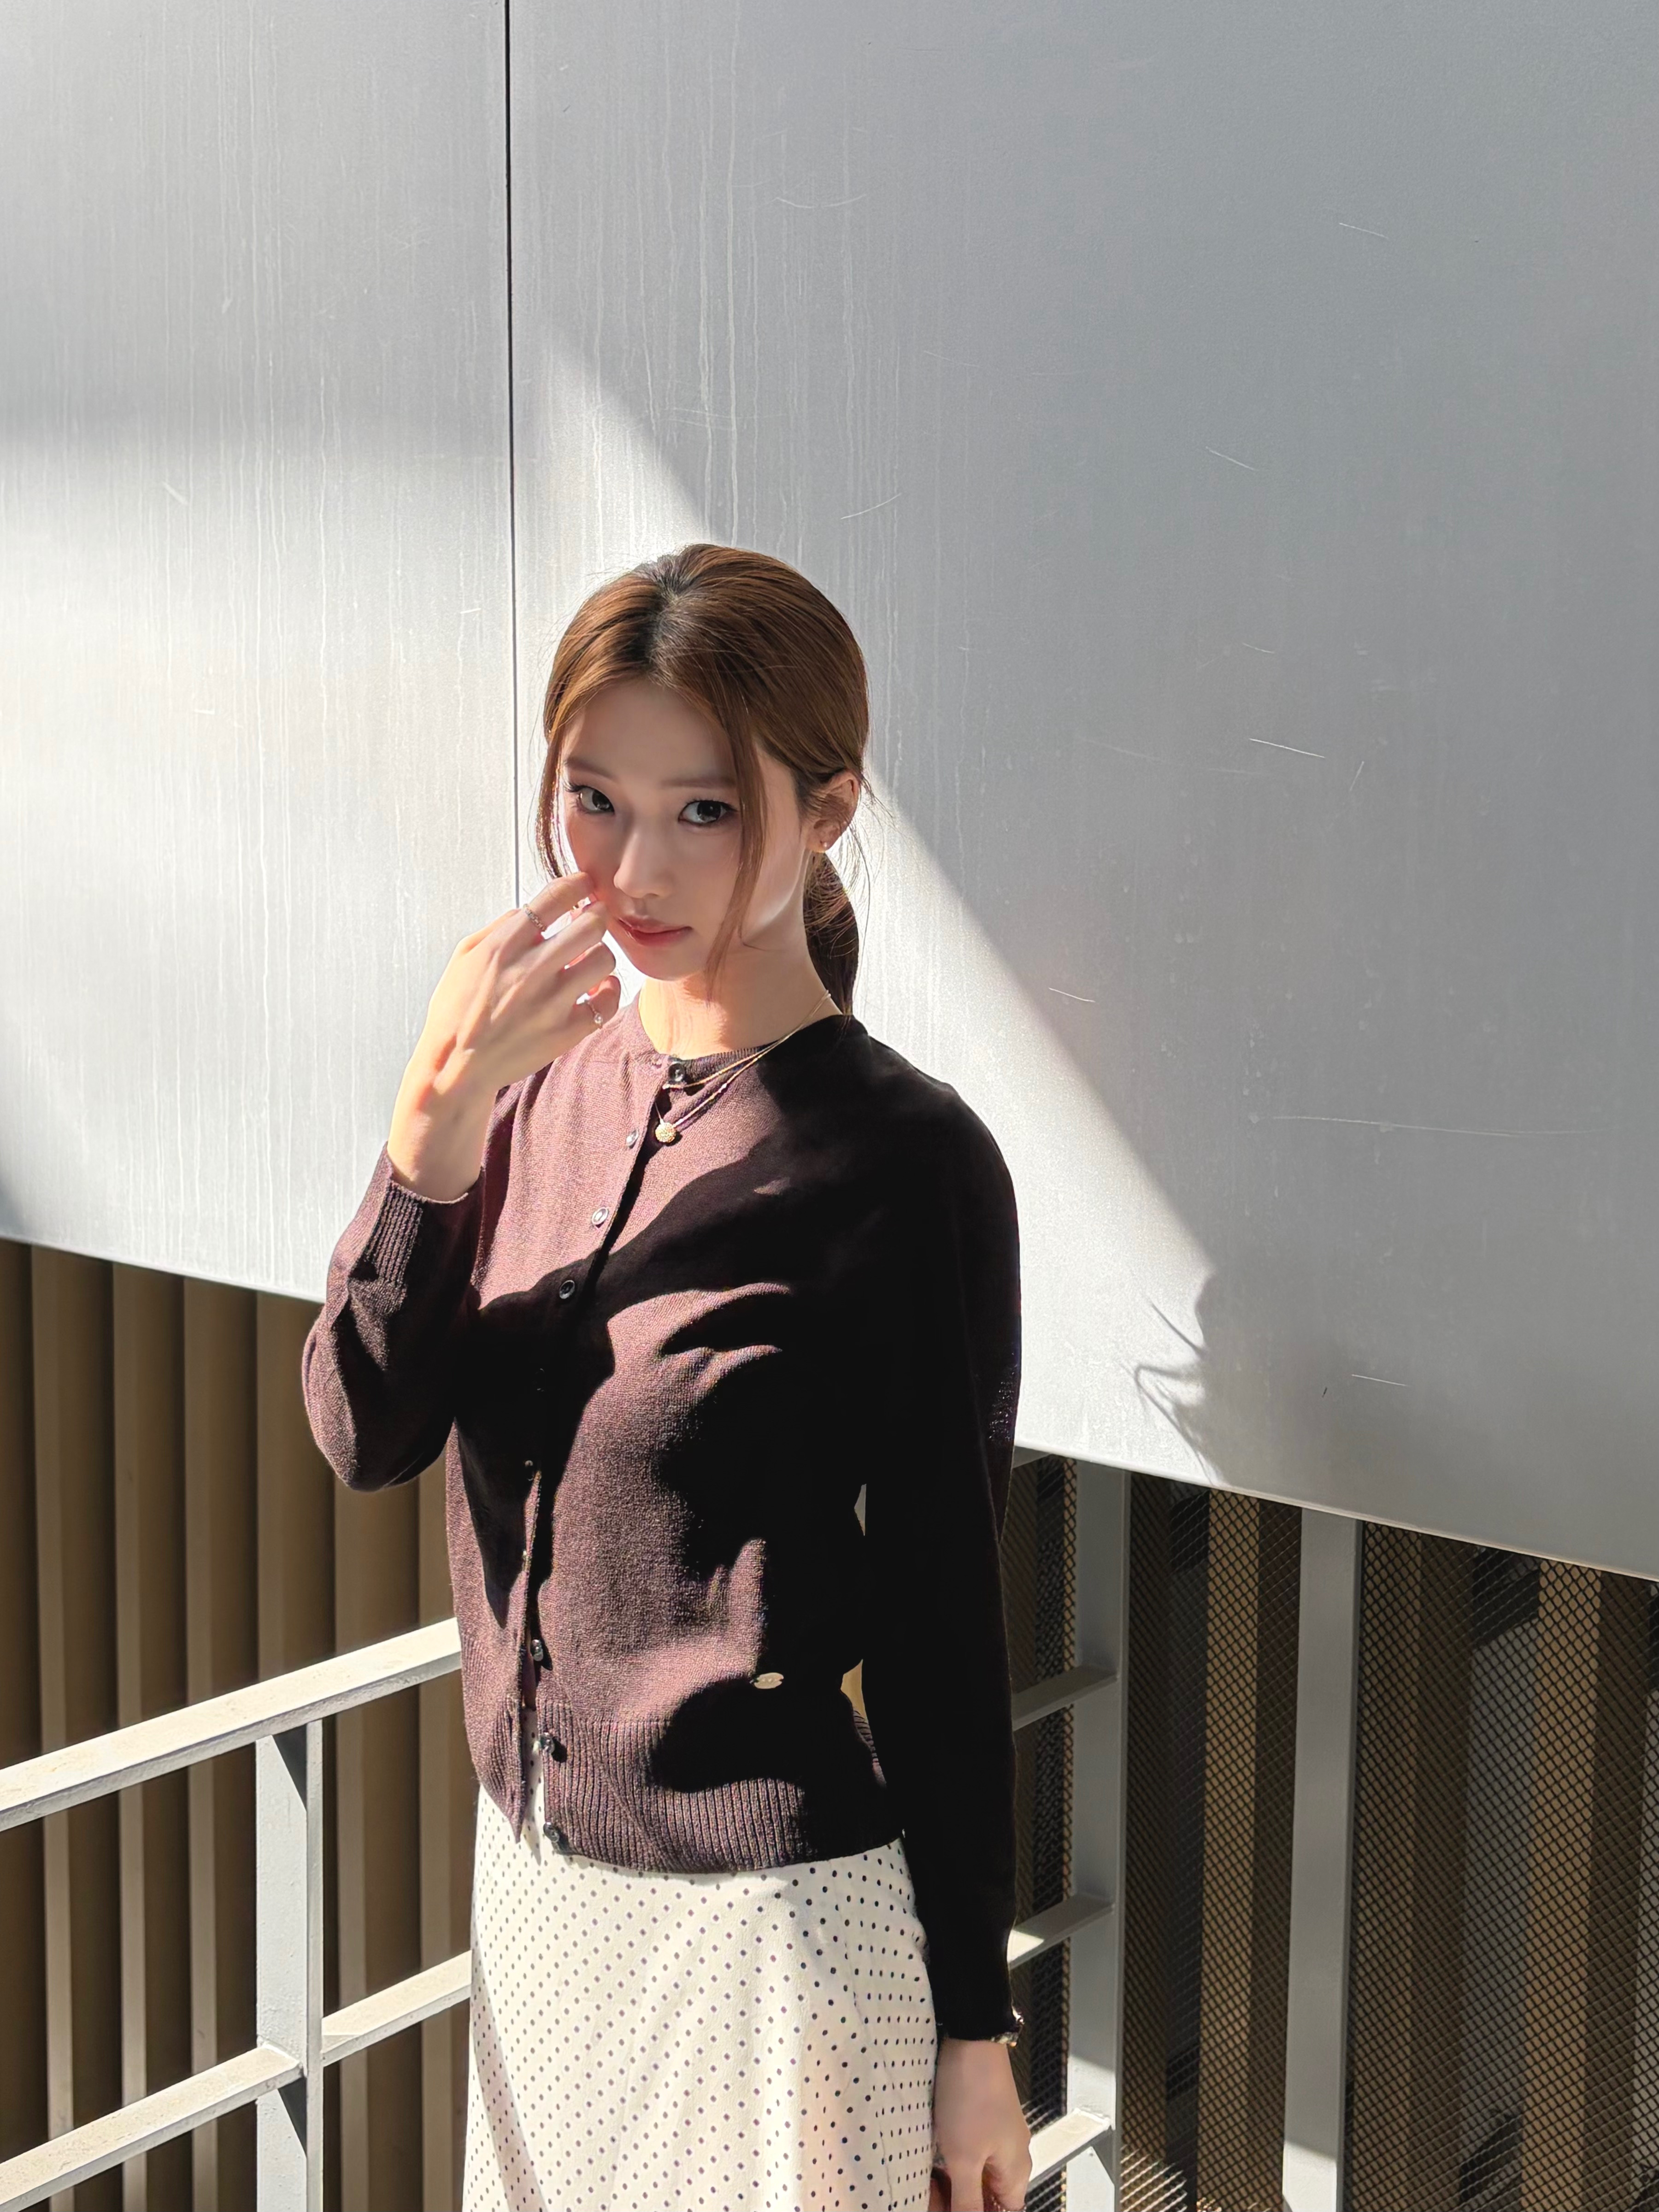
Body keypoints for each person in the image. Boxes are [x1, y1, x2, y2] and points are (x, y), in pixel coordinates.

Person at [301, 543, 1032, 2212]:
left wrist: (972, 2033)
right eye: (595, 801)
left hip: (769, 1948)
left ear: (829, 810)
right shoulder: (528, 1089)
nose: (635, 868)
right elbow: (363, 1431)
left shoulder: (906, 1163)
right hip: (536, 1904)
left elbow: (943, 1617)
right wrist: (428, 1137)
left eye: (705, 810)